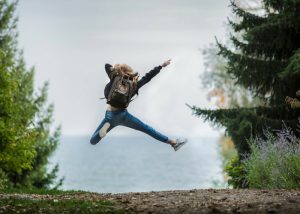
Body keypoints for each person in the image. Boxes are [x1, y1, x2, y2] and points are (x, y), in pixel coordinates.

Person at [90, 59, 187, 151]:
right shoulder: (133, 84)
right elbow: (148, 77)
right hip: (123, 116)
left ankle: (101, 133)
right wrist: (161, 66)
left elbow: (106, 65)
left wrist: (117, 69)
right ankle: (173, 143)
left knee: (93, 141)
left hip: (110, 115)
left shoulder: (115, 77)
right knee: (147, 129)